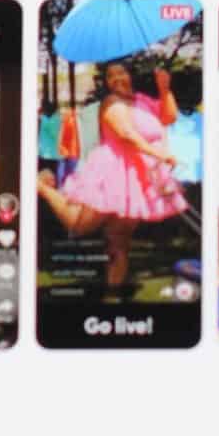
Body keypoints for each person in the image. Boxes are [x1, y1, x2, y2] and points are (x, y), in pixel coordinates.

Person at [36, 60, 185, 288]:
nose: (116, 79)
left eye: (120, 73)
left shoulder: (143, 102)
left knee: (120, 239)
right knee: (79, 224)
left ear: (130, 75)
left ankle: (113, 289)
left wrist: (164, 89)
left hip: (137, 175)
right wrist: (159, 154)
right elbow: (126, 134)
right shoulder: (111, 102)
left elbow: (169, 117)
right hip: (112, 170)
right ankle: (41, 187)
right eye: (110, 76)